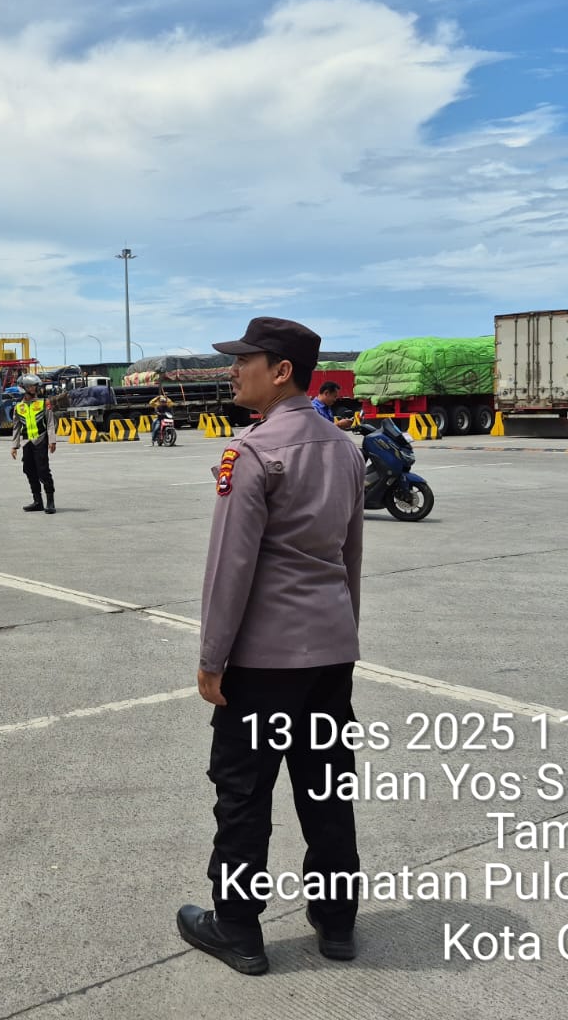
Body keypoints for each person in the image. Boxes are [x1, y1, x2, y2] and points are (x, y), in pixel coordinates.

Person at [177, 317, 365, 976]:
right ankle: (337, 921)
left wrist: (212, 659)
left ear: (281, 371)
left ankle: (237, 928)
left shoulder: (252, 452)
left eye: (244, 360)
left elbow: (230, 569)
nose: (233, 371)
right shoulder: (344, 449)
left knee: (244, 794)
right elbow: (349, 557)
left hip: (263, 663)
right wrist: (344, 632)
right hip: (330, 655)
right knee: (327, 788)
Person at [9, 374, 57, 513]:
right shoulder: (19, 407)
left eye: (35, 386)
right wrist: (14, 446)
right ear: (24, 388)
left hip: (41, 440)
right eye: (31, 386)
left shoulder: (44, 403)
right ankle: (37, 501)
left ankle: (50, 502)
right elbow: (16, 427)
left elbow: (50, 423)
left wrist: (52, 441)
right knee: (29, 470)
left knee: (43, 471)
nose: (34, 388)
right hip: (27, 443)